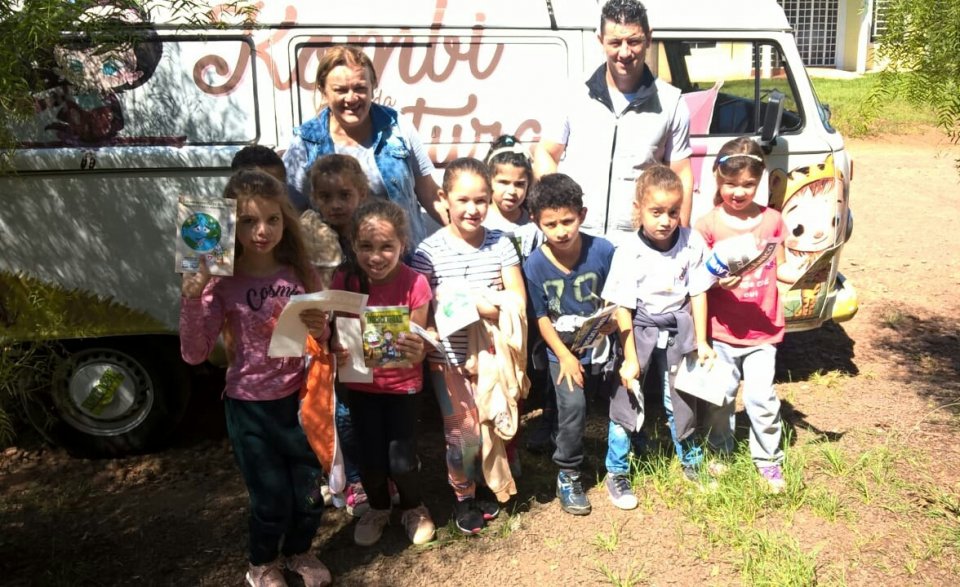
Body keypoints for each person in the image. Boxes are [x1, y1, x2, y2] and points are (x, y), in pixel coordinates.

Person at [179, 169, 332, 587]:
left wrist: (321, 328)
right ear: (230, 223)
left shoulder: (299, 272)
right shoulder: (219, 280)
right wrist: (194, 296)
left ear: (285, 220)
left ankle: (298, 551)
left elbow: (322, 338)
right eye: (247, 221)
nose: (261, 231)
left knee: (308, 494)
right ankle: (261, 564)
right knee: (270, 498)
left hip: (299, 400)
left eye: (272, 219)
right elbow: (194, 354)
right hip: (249, 406)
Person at [410, 158, 526, 534]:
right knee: (464, 435)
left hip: (493, 356)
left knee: (492, 424)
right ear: (444, 198)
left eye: (480, 200)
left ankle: (490, 484)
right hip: (448, 359)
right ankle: (464, 496)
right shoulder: (427, 252)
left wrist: (479, 304)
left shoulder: (501, 245)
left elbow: (517, 301)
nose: (473, 209)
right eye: (463, 200)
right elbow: (421, 312)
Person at [533, 0, 694, 246]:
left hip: (639, 243)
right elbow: (546, 152)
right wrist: (558, 209)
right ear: (601, 41)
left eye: (634, 41)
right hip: (578, 239)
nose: (625, 52)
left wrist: (680, 239)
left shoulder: (671, 103)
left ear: (649, 38)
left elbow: (680, 172)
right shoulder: (572, 93)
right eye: (615, 42)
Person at [601, 165, 716, 502]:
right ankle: (617, 470)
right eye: (656, 212)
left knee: (680, 397)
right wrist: (631, 359)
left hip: (679, 328)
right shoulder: (629, 251)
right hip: (639, 328)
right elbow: (622, 307)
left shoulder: (690, 240)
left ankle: (691, 460)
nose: (665, 221)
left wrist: (702, 340)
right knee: (627, 398)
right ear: (638, 210)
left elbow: (697, 291)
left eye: (673, 212)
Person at [329, 199, 436, 546]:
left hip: (403, 388)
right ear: (352, 245)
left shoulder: (415, 283)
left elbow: (419, 341)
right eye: (366, 246)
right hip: (360, 388)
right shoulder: (344, 278)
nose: (376, 256)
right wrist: (336, 346)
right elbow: (336, 333)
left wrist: (419, 348)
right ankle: (378, 507)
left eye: (386, 246)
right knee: (371, 462)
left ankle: (412, 506)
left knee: (402, 462)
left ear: (402, 245)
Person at [694, 137, 791, 493]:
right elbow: (699, 282)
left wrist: (800, 273)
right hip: (721, 332)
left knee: (761, 398)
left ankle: (768, 461)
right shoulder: (707, 225)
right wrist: (720, 283)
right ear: (718, 180)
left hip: (762, 332)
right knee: (721, 397)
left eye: (748, 184)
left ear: (760, 180)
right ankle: (719, 450)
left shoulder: (772, 222)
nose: (738, 191)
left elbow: (780, 268)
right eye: (731, 183)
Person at [283, 45, 445, 250]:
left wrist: (477, 239)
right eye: (340, 90)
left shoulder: (397, 128)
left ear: (373, 87)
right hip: (338, 273)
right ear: (324, 91)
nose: (351, 98)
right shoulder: (306, 142)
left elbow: (430, 194)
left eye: (359, 88)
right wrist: (228, 260)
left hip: (403, 267)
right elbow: (287, 211)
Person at [523, 173, 617, 516]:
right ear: (536, 222)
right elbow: (541, 317)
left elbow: (617, 294)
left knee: (610, 400)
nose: (561, 230)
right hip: (560, 350)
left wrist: (610, 323)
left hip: (602, 342)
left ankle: (624, 456)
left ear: (583, 214)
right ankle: (568, 471)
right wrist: (563, 356)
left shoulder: (603, 251)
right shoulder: (534, 265)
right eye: (551, 224)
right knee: (574, 404)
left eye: (568, 221)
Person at [301, 153, 372, 515]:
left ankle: (376, 470)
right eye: (326, 197)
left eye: (345, 195)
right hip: (325, 336)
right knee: (336, 409)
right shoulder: (307, 231)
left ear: (361, 192)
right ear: (314, 197)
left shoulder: (371, 226)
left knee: (366, 406)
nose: (336, 205)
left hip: (364, 331)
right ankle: (351, 478)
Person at [482, 135, 542, 258]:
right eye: (503, 182)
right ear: (488, 180)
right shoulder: (480, 221)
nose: (512, 191)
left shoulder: (534, 223)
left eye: (519, 184)